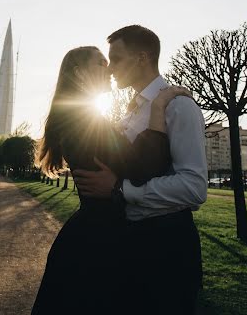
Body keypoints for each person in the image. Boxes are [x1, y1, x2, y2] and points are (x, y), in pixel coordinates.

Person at [31, 45, 191, 315]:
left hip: (97, 235)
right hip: (96, 245)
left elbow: (122, 161)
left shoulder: (81, 116)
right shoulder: (82, 118)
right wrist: (158, 107)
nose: (110, 69)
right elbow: (141, 168)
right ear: (80, 73)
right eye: (101, 63)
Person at [74, 25, 208, 315]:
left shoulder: (179, 106)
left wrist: (120, 189)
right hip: (132, 242)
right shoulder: (134, 110)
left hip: (167, 247)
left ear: (142, 58)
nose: (110, 69)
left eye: (117, 59)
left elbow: (194, 187)